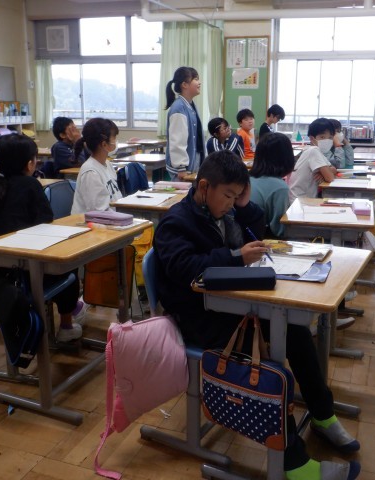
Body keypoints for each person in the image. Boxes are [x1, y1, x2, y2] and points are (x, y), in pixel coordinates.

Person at [154, 150, 360, 480]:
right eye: (228, 195)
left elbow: (258, 226)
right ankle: (293, 462)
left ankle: (323, 414)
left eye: (236, 196)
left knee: (294, 330)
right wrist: (236, 257)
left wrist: (243, 203)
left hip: (231, 306)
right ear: (204, 187)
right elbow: (185, 268)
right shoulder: (176, 223)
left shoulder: (223, 212)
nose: (230, 203)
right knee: (269, 349)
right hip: (198, 318)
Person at [0, 134, 85, 342]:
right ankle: (66, 325)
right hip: (17, 275)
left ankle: (71, 308)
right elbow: (45, 223)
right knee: (67, 264)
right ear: (30, 163)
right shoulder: (30, 184)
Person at [71, 117, 122, 214]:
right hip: (92, 222)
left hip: (112, 218)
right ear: (104, 144)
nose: (116, 142)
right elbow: (99, 212)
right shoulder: (91, 172)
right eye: (114, 138)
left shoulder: (107, 164)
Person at [249, 132, 295, 238]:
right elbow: (279, 230)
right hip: (261, 240)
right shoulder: (279, 187)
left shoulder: (247, 178)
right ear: (287, 157)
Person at [165, 66, 205, 180]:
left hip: (194, 160)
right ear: (184, 85)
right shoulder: (179, 108)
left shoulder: (190, 105)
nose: (199, 83)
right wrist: (181, 167)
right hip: (183, 168)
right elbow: (177, 141)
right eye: (196, 79)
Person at [288, 118, 338, 202]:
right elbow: (330, 178)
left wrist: (323, 173)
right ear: (312, 138)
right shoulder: (313, 150)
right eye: (322, 137)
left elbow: (333, 169)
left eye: (330, 137)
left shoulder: (317, 151)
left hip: (305, 199)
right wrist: (326, 173)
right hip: (299, 201)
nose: (327, 140)